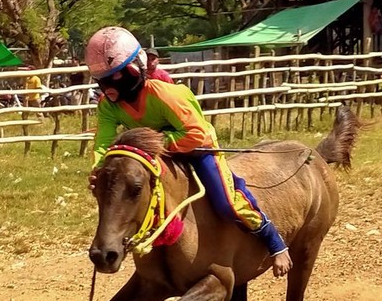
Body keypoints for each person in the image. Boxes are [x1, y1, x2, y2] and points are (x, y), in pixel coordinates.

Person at [85, 26, 292, 277]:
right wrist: (100, 169)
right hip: (155, 156)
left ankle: (274, 242)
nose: (110, 86)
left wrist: (153, 143)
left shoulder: (166, 95)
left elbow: (196, 134)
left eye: (117, 76)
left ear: (136, 68)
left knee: (226, 203)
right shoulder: (108, 106)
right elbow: (103, 144)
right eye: (103, 79)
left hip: (196, 149)